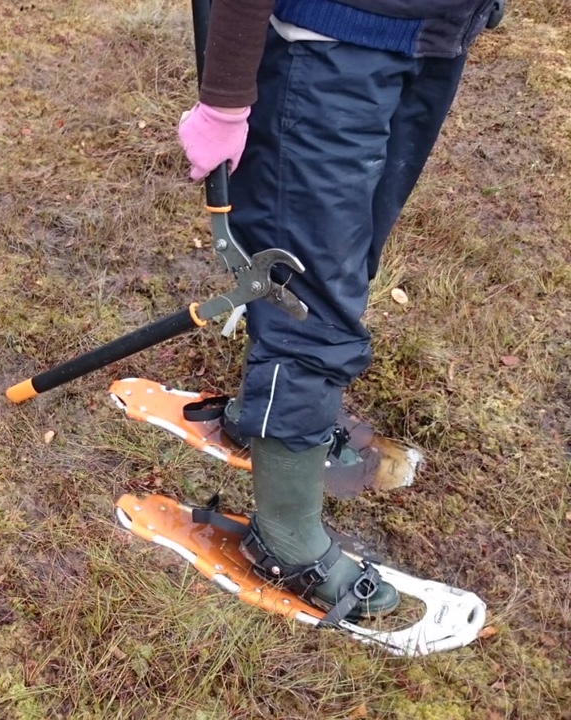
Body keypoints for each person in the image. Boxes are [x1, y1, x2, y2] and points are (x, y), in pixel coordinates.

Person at [177, 0, 504, 621]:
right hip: (327, 49)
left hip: (433, 39)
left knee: (350, 255)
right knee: (313, 293)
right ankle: (285, 537)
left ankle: (264, 415)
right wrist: (223, 102)